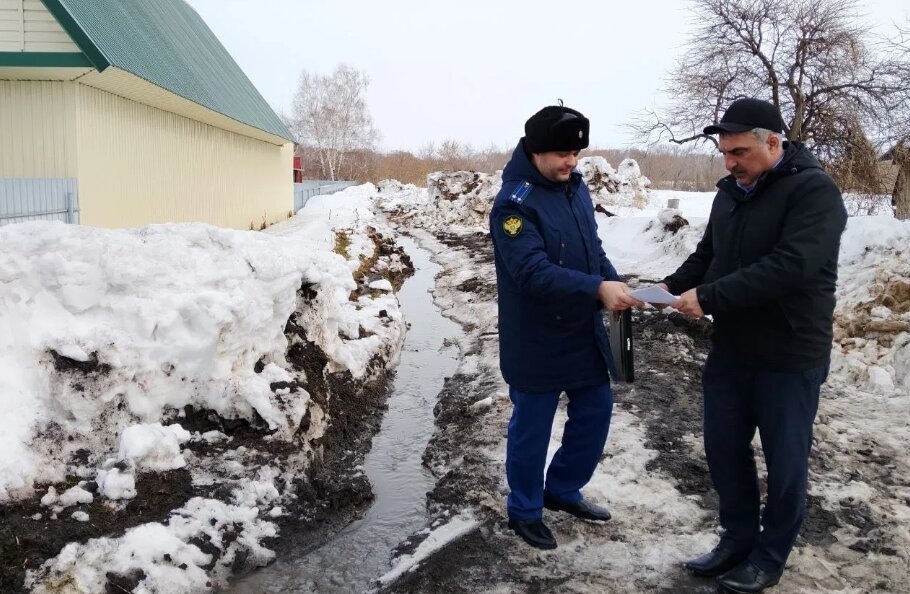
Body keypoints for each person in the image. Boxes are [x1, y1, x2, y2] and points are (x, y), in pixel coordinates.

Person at [660, 98, 847, 592]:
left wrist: (709, 297)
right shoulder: (730, 194)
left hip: (789, 353)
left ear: (773, 143)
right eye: (725, 153)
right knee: (723, 450)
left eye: (739, 152)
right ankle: (737, 540)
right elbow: (709, 255)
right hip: (732, 348)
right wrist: (667, 289)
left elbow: (791, 266)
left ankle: (769, 556)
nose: (730, 163)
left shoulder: (815, 192)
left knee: (785, 464)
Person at [489, 104, 642, 550]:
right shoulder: (513, 204)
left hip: (580, 331)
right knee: (532, 430)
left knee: (595, 412)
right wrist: (597, 289)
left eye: (576, 153)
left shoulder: (576, 189)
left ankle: (561, 488)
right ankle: (524, 510)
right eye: (562, 154)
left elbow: (592, 249)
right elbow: (532, 273)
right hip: (535, 338)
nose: (571, 162)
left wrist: (614, 282)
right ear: (535, 151)